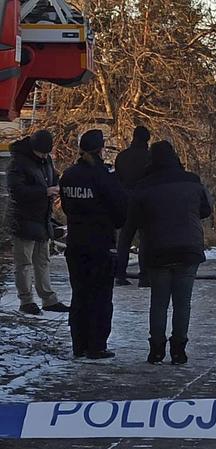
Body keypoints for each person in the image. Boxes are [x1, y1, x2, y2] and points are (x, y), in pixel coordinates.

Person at [127, 141, 212, 365]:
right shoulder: (192, 180)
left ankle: (156, 350)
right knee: (183, 303)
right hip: (189, 248)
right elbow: (206, 209)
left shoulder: (144, 185)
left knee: (159, 303)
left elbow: (134, 219)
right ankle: (179, 350)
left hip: (158, 249)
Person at [60, 129, 127, 359]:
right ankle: (97, 345)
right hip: (100, 244)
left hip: (76, 244)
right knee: (100, 296)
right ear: (101, 149)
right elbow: (120, 212)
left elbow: (67, 209)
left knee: (79, 295)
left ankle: (79, 344)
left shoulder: (68, 175)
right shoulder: (104, 177)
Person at [7, 130, 68, 315]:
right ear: (34, 148)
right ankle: (26, 301)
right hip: (23, 219)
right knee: (24, 262)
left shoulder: (45, 160)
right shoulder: (18, 163)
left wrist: (55, 187)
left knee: (43, 261)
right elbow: (17, 191)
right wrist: (45, 191)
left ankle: (48, 299)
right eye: (42, 152)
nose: (44, 155)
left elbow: (51, 178)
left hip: (41, 219)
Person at [114, 126, 151, 287]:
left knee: (124, 240)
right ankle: (144, 276)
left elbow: (118, 179)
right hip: (145, 203)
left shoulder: (122, 157)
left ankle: (120, 274)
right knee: (146, 240)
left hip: (126, 202)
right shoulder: (150, 158)